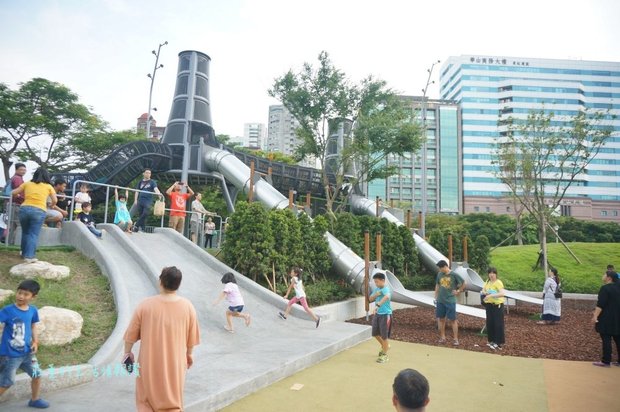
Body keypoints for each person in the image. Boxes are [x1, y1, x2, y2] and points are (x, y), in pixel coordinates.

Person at [124, 266, 200, 411]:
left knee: (145, 401)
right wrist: (189, 354)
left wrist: (127, 354)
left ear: (161, 281)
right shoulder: (188, 307)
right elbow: (191, 339)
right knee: (173, 401)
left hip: (148, 364)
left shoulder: (145, 305)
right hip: (175, 364)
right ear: (178, 284)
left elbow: (130, 336)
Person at [0, 280, 50, 409]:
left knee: (37, 375)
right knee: (7, 382)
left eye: (26, 294)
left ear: (33, 297)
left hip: (27, 352)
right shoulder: (8, 310)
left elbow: (33, 326)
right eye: (19, 293)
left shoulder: (32, 310)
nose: (21, 296)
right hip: (10, 355)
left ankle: (35, 399)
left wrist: (35, 342)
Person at [11, 168, 57, 263]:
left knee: (25, 232)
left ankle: (23, 253)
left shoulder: (27, 183)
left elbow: (13, 192)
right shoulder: (48, 186)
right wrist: (52, 205)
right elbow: (55, 200)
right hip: (39, 210)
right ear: (46, 176)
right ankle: (29, 256)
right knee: (33, 234)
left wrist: (17, 196)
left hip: (24, 208)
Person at [591, 270, 620, 367]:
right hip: (618, 317)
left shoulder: (605, 288)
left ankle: (606, 361)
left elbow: (600, 304)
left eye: (604, 274)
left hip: (606, 317)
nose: (603, 276)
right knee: (618, 338)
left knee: (606, 338)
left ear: (609, 278)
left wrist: (595, 316)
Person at [434, 260, 465, 346]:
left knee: (453, 320)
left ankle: (455, 339)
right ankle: (442, 337)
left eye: (440, 268)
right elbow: (437, 285)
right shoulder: (439, 274)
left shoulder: (454, 275)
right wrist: (435, 296)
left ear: (445, 267)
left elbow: (463, 283)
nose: (439, 270)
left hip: (450, 301)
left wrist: (458, 291)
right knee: (441, 319)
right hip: (440, 301)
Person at [481, 267, 507, 350]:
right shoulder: (487, 282)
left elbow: (502, 293)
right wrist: (485, 293)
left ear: (496, 274)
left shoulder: (498, 282)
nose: (491, 275)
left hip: (497, 305)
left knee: (498, 324)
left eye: (493, 273)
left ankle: (498, 342)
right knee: (490, 323)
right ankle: (491, 341)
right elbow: (483, 290)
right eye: (490, 273)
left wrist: (491, 295)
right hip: (489, 305)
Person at [369, 272, 392, 363]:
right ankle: (385, 346)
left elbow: (387, 296)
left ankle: (385, 354)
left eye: (377, 282)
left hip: (385, 315)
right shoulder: (377, 289)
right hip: (377, 315)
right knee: (375, 333)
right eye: (375, 282)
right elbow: (370, 299)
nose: (376, 283)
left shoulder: (386, 289)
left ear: (383, 280)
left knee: (384, 336)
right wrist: (376, 294)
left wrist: (378, 305)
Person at [131, 169, 161, 233]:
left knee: (145, 213)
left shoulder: (152, 182)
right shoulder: (140, 182)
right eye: (147, 173)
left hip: (148, 200)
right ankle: (142, 229)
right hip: (140, 200)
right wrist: (135, 200)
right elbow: (137, 191)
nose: (148, 174)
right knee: (141, 214)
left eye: (149, 173)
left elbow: (156, 189)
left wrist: (159, 195)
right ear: (143, 174)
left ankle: (136, 225)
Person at [5, 163, 26, 243]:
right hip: (16, 204)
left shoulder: (14, 178)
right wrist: (23, 199)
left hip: (12, 203)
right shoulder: (17, 178)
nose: (23, 171)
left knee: (12, 225)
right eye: (21, 169)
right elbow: (19, 192)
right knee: (18, 224)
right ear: (16, 170)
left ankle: (9, 242)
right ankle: (14, 242)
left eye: (24, 170)